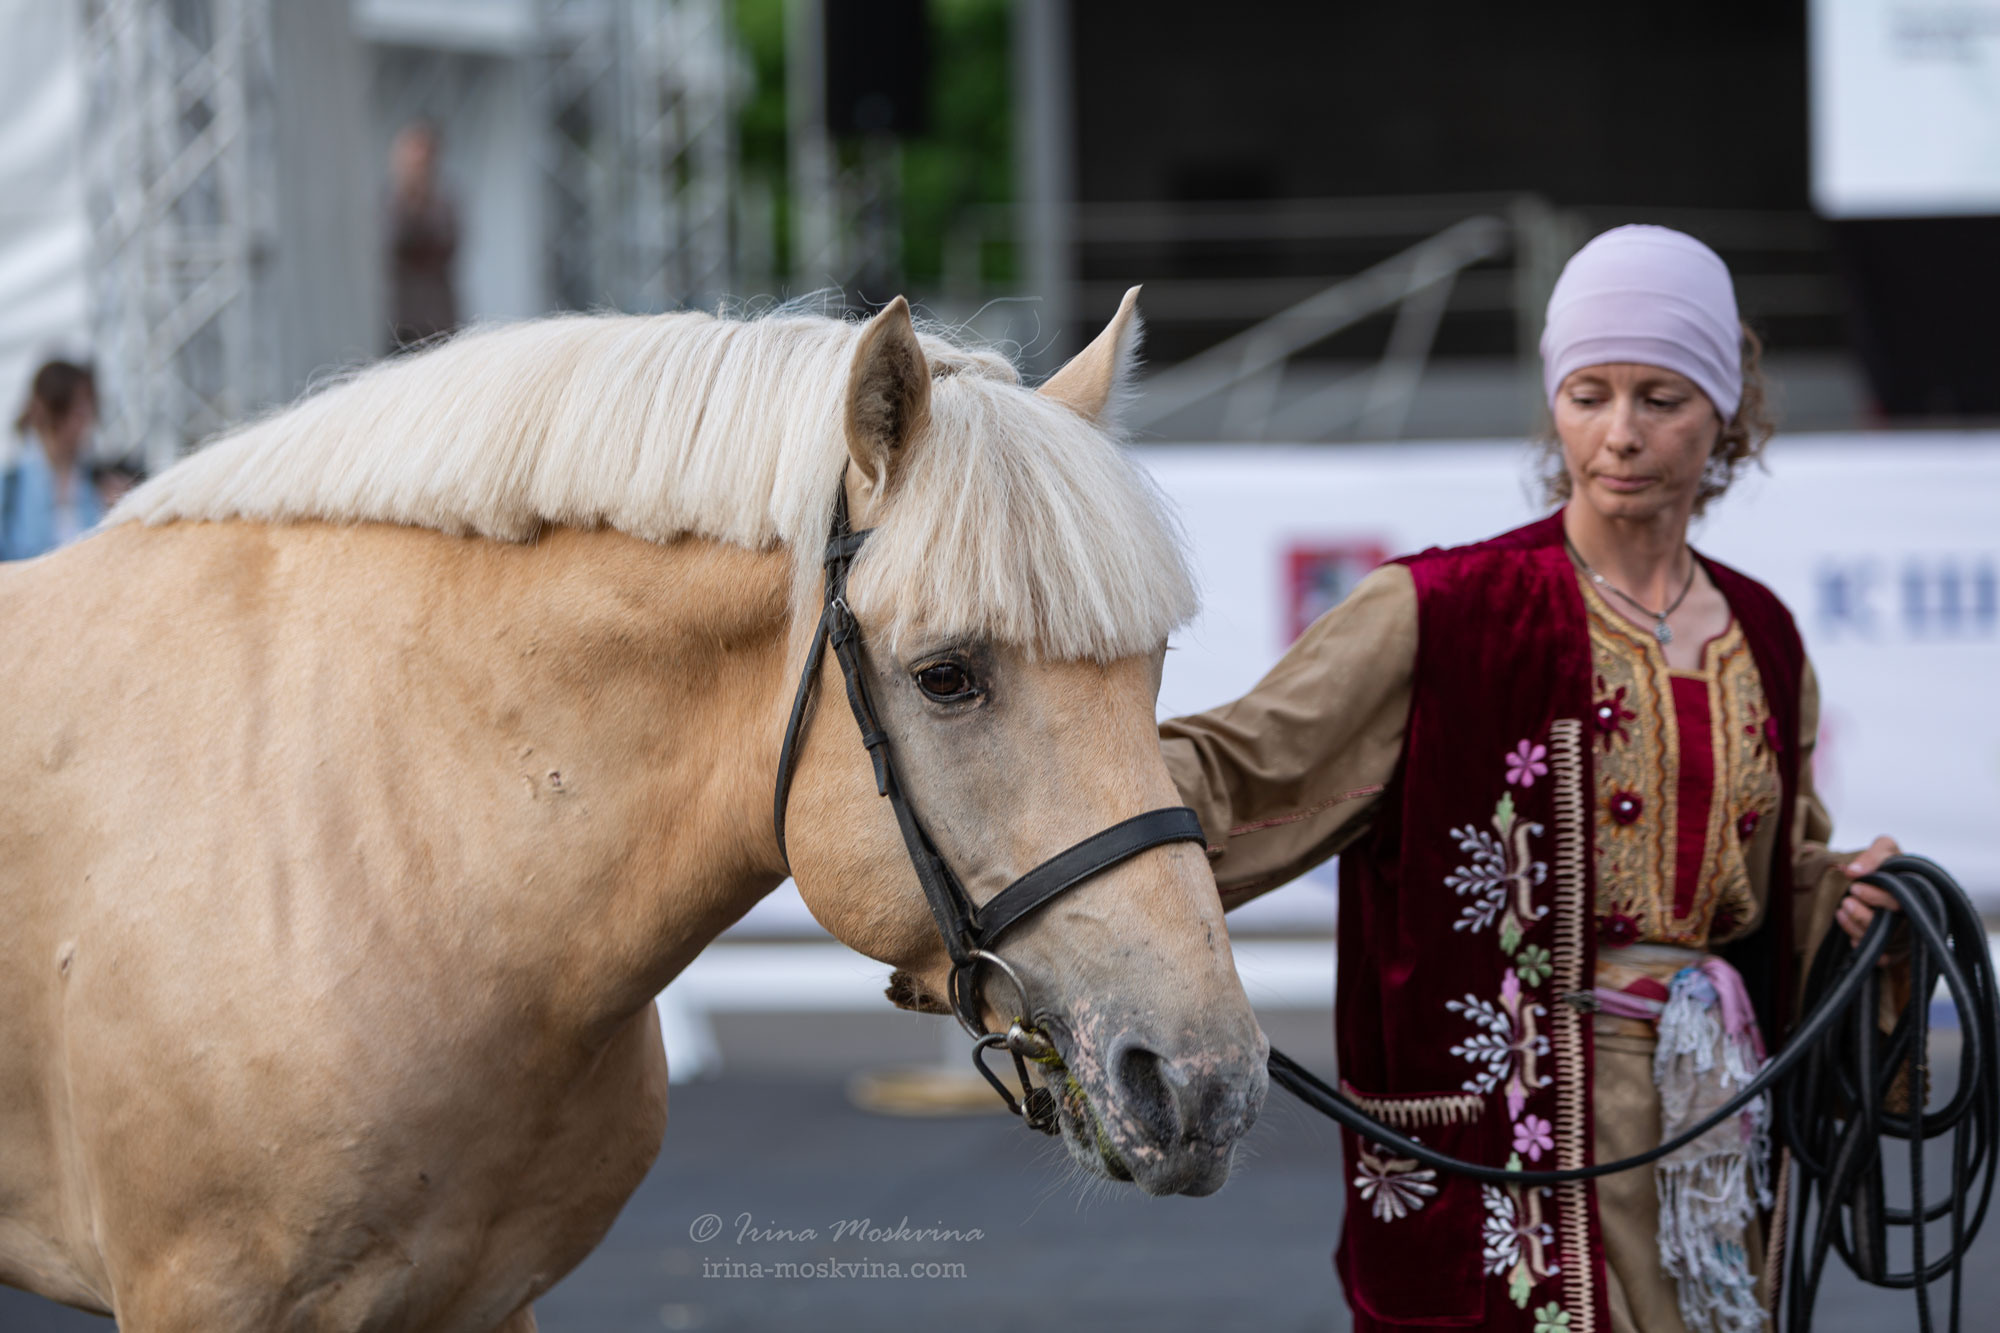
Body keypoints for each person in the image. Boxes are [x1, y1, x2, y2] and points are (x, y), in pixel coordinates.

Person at [1160, 226, 1900, 1333]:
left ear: (1723, 410)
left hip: (1709, 1110)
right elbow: (1244, 762)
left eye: (1660, 397)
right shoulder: (1447, 607)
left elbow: (1763, 876)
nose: (1618, 434)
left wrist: (1842, 892)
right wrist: (1058, 804)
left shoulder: (1764, 633)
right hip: (1516, 1128)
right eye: (1587, 393)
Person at [4, 359, 104, 561]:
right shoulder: (9, 490)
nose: (86, 420)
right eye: (79, 410)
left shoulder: (102, 479)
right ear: (54, 411)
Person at [386, 121, 460, 350]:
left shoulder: (444, 204)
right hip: (401, 322)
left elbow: (444, 246)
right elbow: (397, 240)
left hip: (439, 321)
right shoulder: (392, 203)